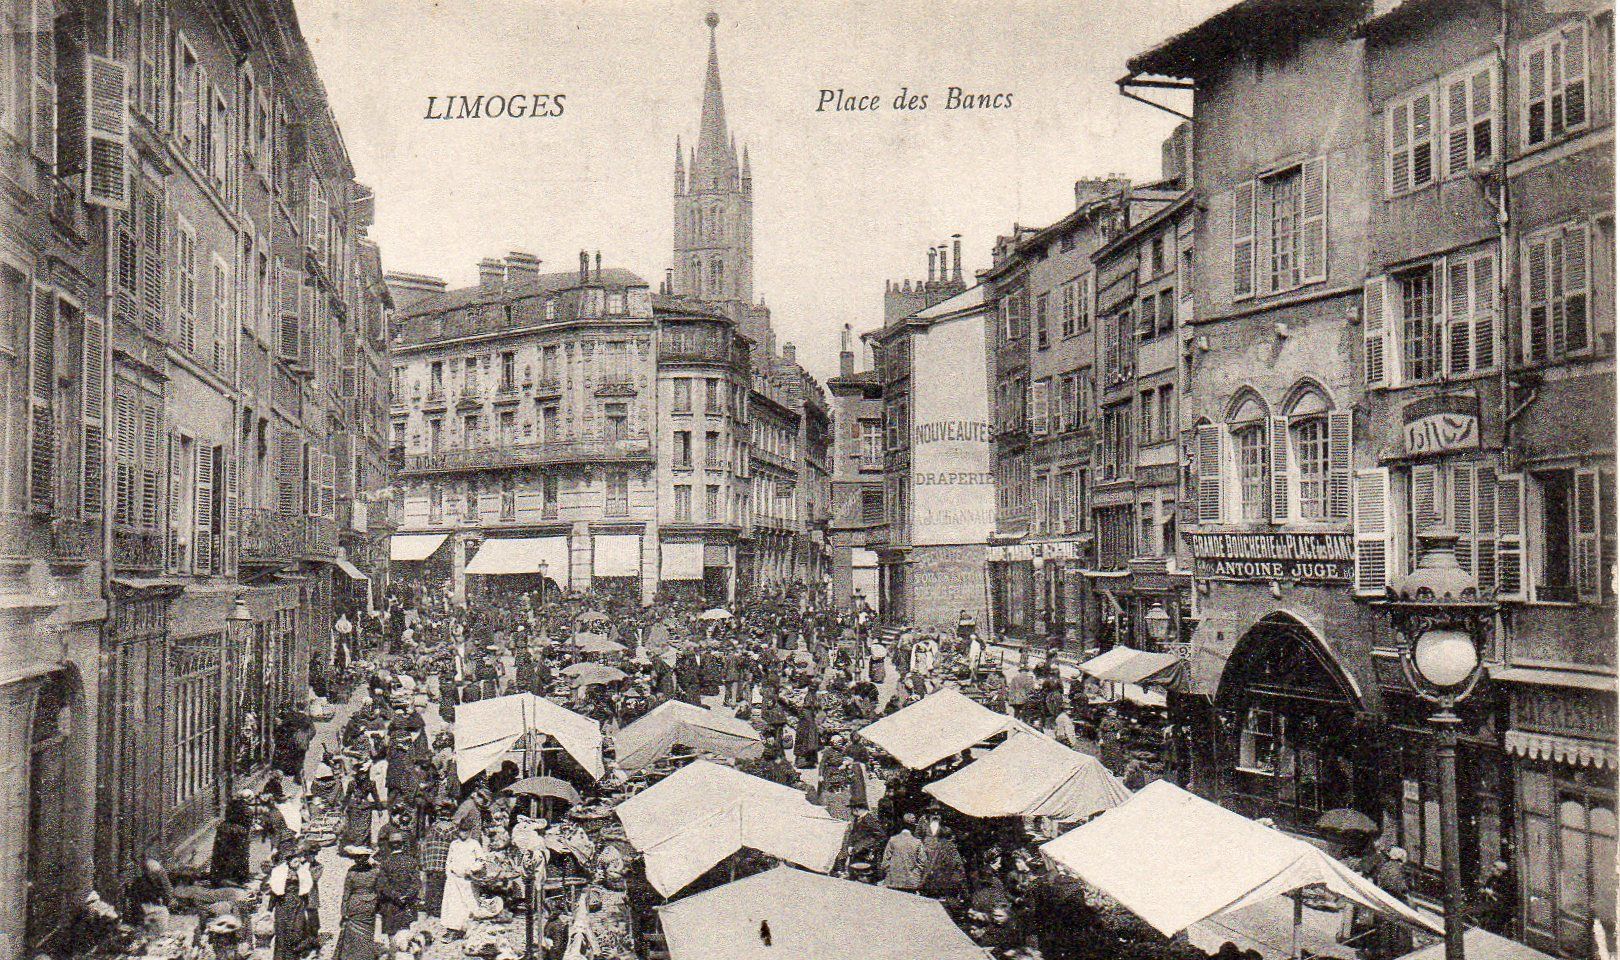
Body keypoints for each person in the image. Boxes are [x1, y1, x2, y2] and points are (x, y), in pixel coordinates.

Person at [440, 819, 486, 937]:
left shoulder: (474, 844)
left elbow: (481, 860)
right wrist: (449, 874)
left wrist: (472, 869)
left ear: (470, 831)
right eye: (461, 831)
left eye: (466, 831)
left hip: (467, 880)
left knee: (468, 905)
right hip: (454, 879)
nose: (463, 834)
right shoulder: (454, 844)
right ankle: (453, 930)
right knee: (454, 905)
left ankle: (467, 929)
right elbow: (448, 861)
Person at [334, 846, 380, 960]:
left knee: (353, 935)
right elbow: (378, 890)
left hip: (355, 905)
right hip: (369, 905)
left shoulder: (352, 872)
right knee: (367, 933)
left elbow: (346, 893)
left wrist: (343, 912)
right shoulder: (375, 871)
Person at [377, 830, 421, 938]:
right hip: (408, 905)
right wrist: (406, 896)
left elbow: (382, 886)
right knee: (407, 938)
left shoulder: (385, 863)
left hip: (391, 906)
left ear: (390, 846)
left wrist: (396, 896)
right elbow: (416, 883)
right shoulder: (411, 861)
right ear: (403, 844)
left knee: (392, 938)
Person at [211, 792, 255, 885]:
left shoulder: (231, 805)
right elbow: (247, 824)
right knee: (240, 854)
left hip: (225, 830)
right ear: (248, 799)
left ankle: (218, 877)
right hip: (237, 833)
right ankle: (239, 878)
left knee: (221, 854)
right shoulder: (247, 810)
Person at [420, 807, 455, 916]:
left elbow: (425, 845)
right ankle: (437, 910)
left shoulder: (432, 828)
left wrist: (423, 861)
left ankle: (429, 908)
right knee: (441, 887)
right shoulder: (453, 829)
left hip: (431, 862)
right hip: (444, 863)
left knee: (430, 886)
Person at [880, 815, 923, 892]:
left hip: (893, 880)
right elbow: (922, 862)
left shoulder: (893, 840)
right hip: (910, 882)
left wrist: (891, 872)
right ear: (913, 828)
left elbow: (885, 862)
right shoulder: (918, 842)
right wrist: (915, 875)